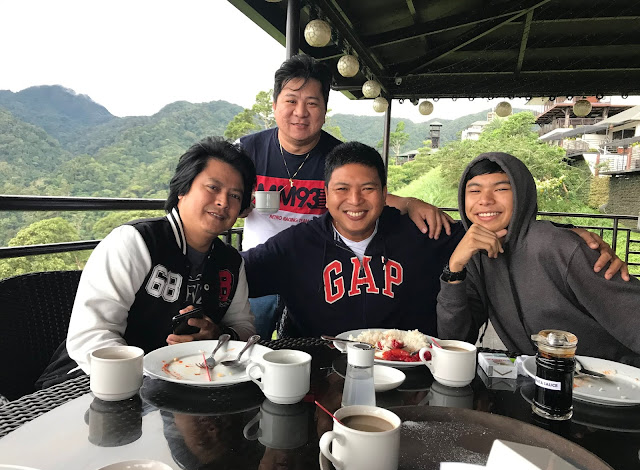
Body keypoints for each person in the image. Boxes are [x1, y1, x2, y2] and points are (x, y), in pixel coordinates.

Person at [241, 142, 624, 339]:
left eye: (368, 189)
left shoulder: (423, 231)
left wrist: (564, 232)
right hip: (324, 373)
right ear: (326, 193)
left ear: (385, 191)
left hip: (411, 374)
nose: (355, 201)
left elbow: (492, 227)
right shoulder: (295, 245)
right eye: (342, 189)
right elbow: (235, 273)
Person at [238, 54, 453, 339]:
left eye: (312, 103)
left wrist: (410, 204)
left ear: (324, 110)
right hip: (263, 262)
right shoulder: (246, 151)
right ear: (275, 104)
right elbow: (222, 198)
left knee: (308, 338)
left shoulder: (337, 157)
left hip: (314, 270)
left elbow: (362, 196)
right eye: (291, 101)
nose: (300, 112)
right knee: (249, 346)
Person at [37, 138, 256, 386]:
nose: (223, 202)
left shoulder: (230, 263)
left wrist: (217, 336)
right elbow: (92, 336)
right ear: (182, 190)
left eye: (235, 195)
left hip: (183, 389)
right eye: (213, 188)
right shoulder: (135, 242)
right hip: (88, 383)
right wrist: (154, 377)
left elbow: (243, 327)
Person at [437, 152, 640, 366]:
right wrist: (455, 268)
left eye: (501, 189)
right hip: (546, 382)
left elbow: (631, 313)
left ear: (522, 195)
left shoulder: (559, 246)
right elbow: (455, 340)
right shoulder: (475, 256)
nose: (485, 200)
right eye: (475, 190)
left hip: (617, 382)